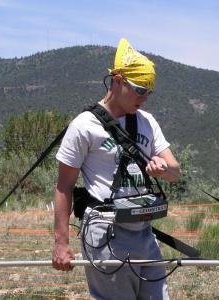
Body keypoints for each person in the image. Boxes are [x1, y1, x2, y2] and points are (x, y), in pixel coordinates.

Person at [52, 38, 181, 300]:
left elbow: (176, 172)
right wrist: (61, 243)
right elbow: (64, 186)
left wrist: (163, 168)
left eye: (149, 92)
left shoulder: (147, 121)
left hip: (143, 231)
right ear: (119, 80)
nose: (144, 98)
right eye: (139, 90)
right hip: (104, 232)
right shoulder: (84, 126)